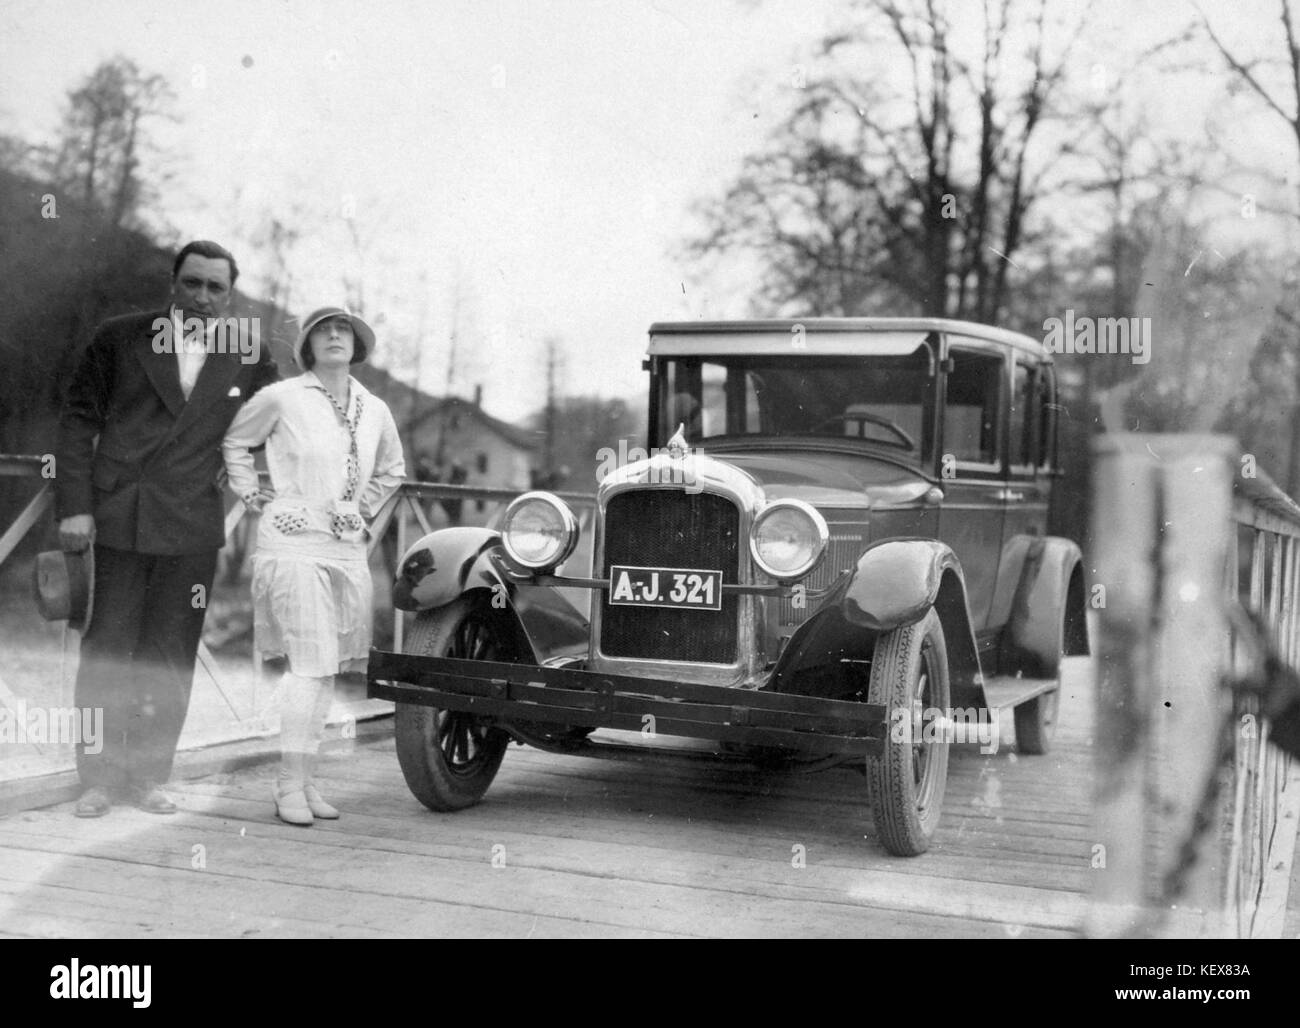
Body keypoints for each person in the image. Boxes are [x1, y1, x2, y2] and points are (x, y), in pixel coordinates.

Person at [55, 239, 280, 817]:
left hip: (190, 525)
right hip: (117, 519)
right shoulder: (119, 336)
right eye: (193, 283)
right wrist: (74, 505)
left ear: (230, 296)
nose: (203, 296)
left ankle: (149, 776)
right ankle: (99, 779)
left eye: (216, 287)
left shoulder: (249, 354)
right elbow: (79, 421)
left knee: (170, 655)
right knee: (107, 649)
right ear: (173, 283)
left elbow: (283, 423)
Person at [222, 306, 405, 826]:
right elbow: (237, 440)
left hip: (344, 547)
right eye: (322, 330)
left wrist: (361, 510)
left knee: (325, 670)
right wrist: (248, 490)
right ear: (307, 345)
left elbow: (393, 470)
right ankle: (287, 784)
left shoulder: (375, 407)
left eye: (342, 329)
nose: (333, 336)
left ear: (357, 344)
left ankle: (305, 779)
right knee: (309, 665)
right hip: (293, 541)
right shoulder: (283, 396)